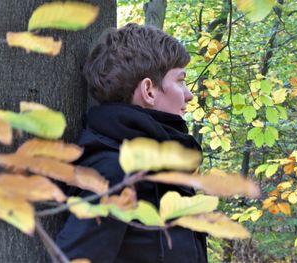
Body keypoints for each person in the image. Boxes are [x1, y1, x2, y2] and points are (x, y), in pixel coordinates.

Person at [56, 23, 207, 263]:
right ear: (149, 90)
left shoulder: (158, 165)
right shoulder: (113, 173)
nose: (188, 94)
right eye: (180, 81)